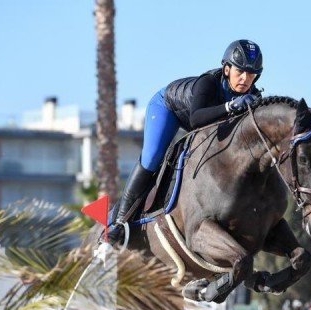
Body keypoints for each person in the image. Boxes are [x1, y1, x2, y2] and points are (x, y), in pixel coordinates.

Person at [109, 39, 264, 243]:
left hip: (200, 117)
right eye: (240, 72)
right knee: (153, 156)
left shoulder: (251, 95)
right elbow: (196, 119)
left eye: (251, 74)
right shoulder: (207, 83)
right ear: (227, 69)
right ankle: (119, 222)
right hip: (167, 107)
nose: (245, 79)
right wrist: (230, 106)